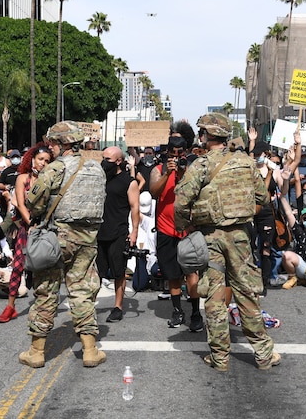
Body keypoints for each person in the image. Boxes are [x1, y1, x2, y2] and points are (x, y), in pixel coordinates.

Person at [174, 113, 280, 372]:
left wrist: (186, 227)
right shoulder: (245, 162)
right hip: (241, 236)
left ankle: (220, 358)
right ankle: (264, 355)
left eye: (202, 133)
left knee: (214, 294)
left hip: (210, 237)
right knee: (246, 292)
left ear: (207, 136)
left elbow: (180, 203)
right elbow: (262, 198)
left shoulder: (200, 166)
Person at [19, 121, 107, 369]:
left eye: (52, 144)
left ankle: (36, 353)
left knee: (46, 291)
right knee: (82, 291)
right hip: (87, 238)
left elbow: (33, 201)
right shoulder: (96, 168)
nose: (50, 148)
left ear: (60, 144)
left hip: (57, 237)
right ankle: (90, 350)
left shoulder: (54, 169)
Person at [150, 132, 205, 330]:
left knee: (191, 271)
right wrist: (168, 173)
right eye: (172, 154)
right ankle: (177, 311)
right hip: (166, 229)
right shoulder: (158, 170)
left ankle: (196, 313)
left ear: (186, 152)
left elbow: (197, 194)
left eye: (180, 153)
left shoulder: (192, 170)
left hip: (187, 230)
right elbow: (154, 192)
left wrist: (183, 172)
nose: (176, 157)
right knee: (172, 274)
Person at [0, 145, 52, 323]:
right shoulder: (23, 178)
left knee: (44, 268)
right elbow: (20, 204)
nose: (43, 163)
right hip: (27, 229)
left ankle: (43, 305)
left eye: (47, 161)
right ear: (32, 159)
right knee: (18, 266)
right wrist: (32, 224)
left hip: (47, 230)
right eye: (40, 159)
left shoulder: (51, 180)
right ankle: (10, 307)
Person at [96, 146, 140, 323]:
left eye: (108, 160)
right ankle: (89, 305)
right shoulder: (99, 179)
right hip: (98, 233)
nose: (104, 162)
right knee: (96, 272)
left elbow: (135, 208)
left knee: (118, 272)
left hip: (118, 233)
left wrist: (134, 231)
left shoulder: (129, 182)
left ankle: (117, 307)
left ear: (119, 161)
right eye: (103, 158)